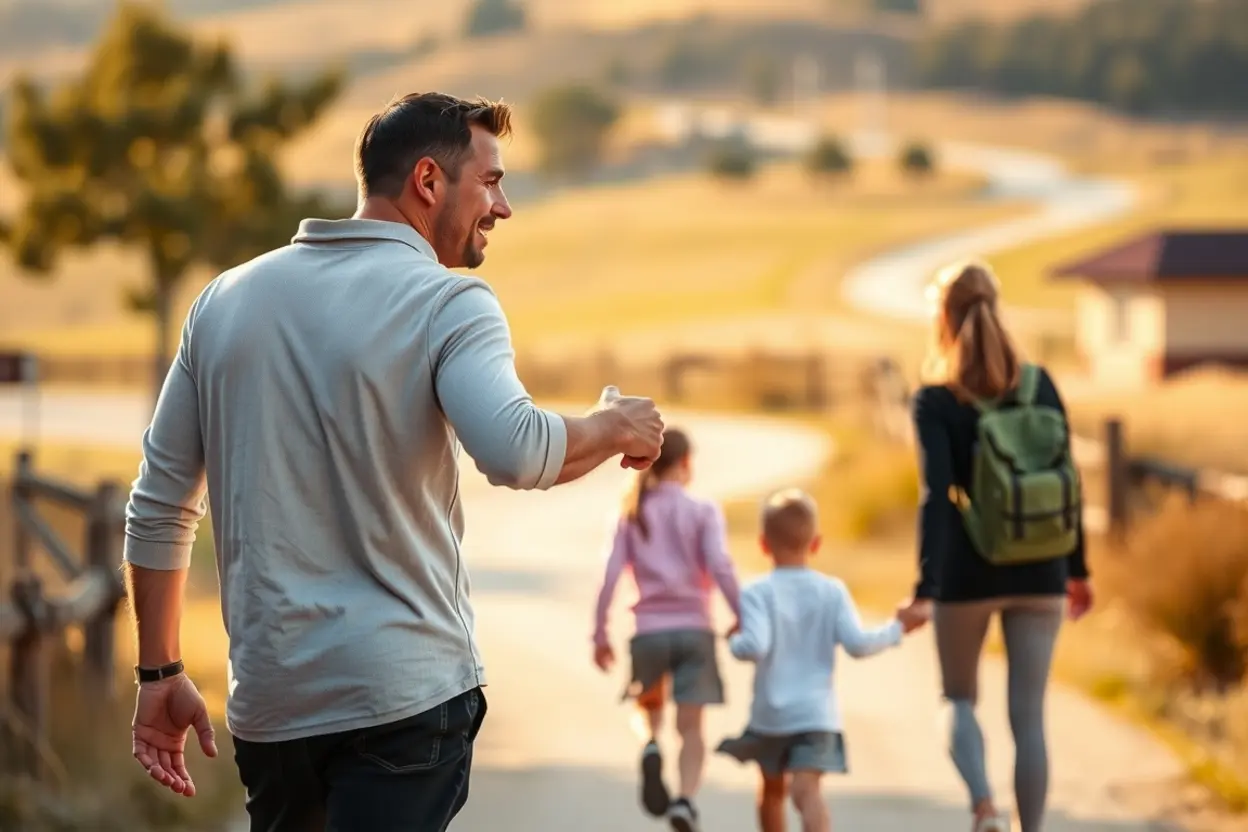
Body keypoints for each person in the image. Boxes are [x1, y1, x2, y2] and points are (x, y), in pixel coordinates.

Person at [122, 91, 666, 832]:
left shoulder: (223, 301)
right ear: (428, 182)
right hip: (404, 700)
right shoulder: (448, 303)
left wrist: (159, 673)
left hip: (274, 709)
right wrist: (614, 425)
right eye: (492, 182)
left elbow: (159, 506)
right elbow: (516, 451)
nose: (503, 207)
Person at [896, 260, 1093, 832]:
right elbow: (1067, 478)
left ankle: (983, 807)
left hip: (968, 571)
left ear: (943, 318)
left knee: (956, 699)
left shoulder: (935, 399)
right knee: (1029, 720)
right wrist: (1077, 568)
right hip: (1043, 566)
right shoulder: (1042, 383)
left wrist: (924, 588)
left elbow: (937, 496)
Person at [716, 488, 926, 832]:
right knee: (807, 791)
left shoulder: (756, 592)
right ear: (816, 544)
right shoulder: (832, 591)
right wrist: (897, 629)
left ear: (763, 545)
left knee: (771, 792)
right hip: (816, 718)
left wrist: (734, 640)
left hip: (771, 717)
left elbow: (754, 646)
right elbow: (858, 644)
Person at [591, 427, 742, 832]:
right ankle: (685, 801)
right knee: (691, 729)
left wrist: (599, 633)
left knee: (647, 710)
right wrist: (742, 612)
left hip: (649, 633)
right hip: (695, 632)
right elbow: (720, 565)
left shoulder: (631, 513)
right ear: (687, 463)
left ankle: (649, 745)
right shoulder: (703, 511)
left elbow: (608, 577)